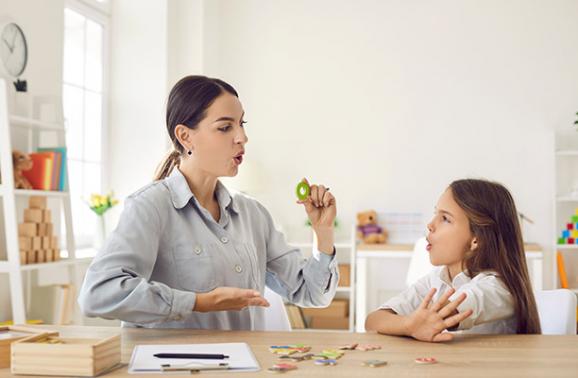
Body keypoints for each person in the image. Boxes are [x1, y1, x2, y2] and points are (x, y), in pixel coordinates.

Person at [78, 75, 339, 329]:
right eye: (225, 127)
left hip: (244, 369)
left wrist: (323, 234)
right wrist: (198, 302)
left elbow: (312, 293)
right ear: (185, 136)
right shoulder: (150, 207)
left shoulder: (253, 214)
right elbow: (97, 293)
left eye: (241, 124)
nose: (242, 137)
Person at [365, 179, 541, 341]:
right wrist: (409, 325)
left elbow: (444, 315)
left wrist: (408, 324)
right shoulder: (436, 279)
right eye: (436, 214)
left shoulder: (497, 288)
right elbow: (373, 320)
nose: (430, 224)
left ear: (476, 240)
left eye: (445, 219)